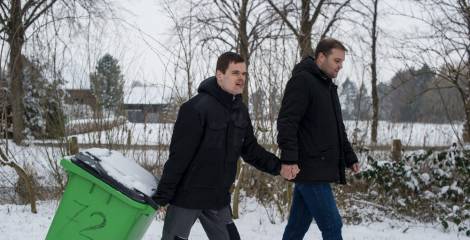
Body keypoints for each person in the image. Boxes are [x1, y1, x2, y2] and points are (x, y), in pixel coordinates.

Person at [153, 52, 297, 240]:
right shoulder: (195, 108)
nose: (241, 78)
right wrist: (163, 195)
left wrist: (279, 167)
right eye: (235, 73)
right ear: (220, 75)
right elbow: (179, 157)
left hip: (217, 199)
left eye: (244, 74)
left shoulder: (240, 111)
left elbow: (250, 150)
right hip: (187, 197)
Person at [277, 38, 360, 240]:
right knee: (332, 225)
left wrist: (349, 156)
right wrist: (289, 159)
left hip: (317, 168)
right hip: (309, 167)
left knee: (297, 227)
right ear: (321, 57)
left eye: (342, 62)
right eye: (337, 61)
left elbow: (337, 128)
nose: (340, 66)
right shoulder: (303, 81)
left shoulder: (327, 87)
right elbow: (287, 121)